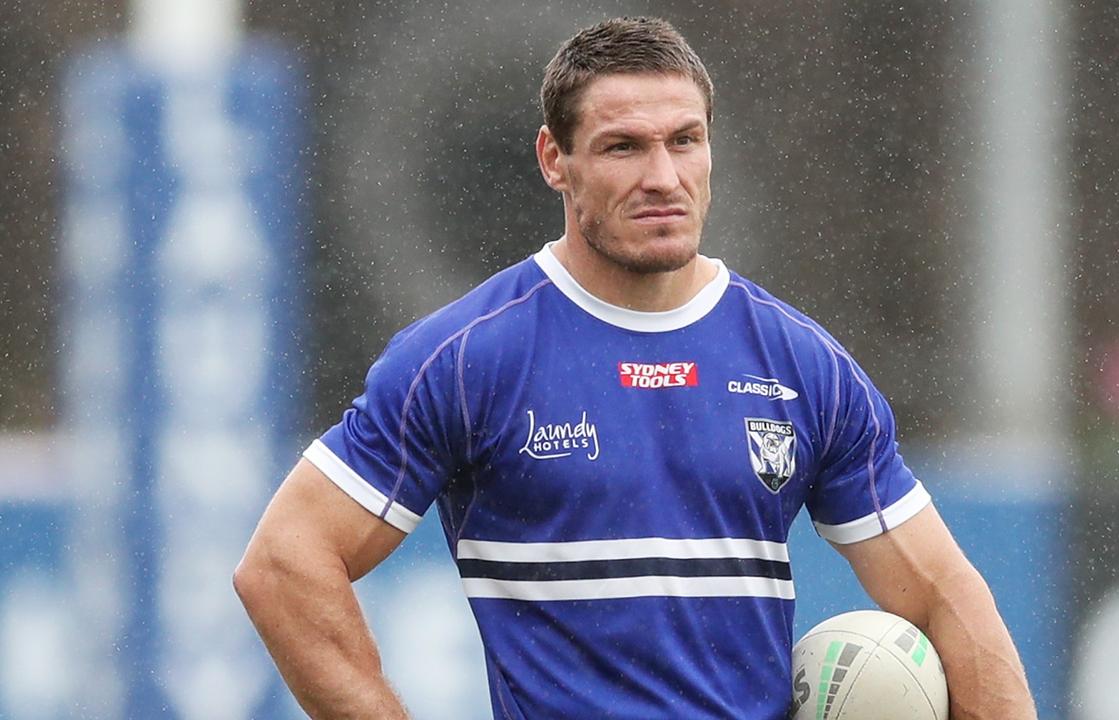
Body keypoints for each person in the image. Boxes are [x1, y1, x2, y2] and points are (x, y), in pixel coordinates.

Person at [234, 16, 1037, 720]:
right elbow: (283, 565)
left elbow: (946, 597)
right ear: (555, 159)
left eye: (684, 140)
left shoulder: (803, 365)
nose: (663, 177)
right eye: (624, 146)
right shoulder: (467, 358)